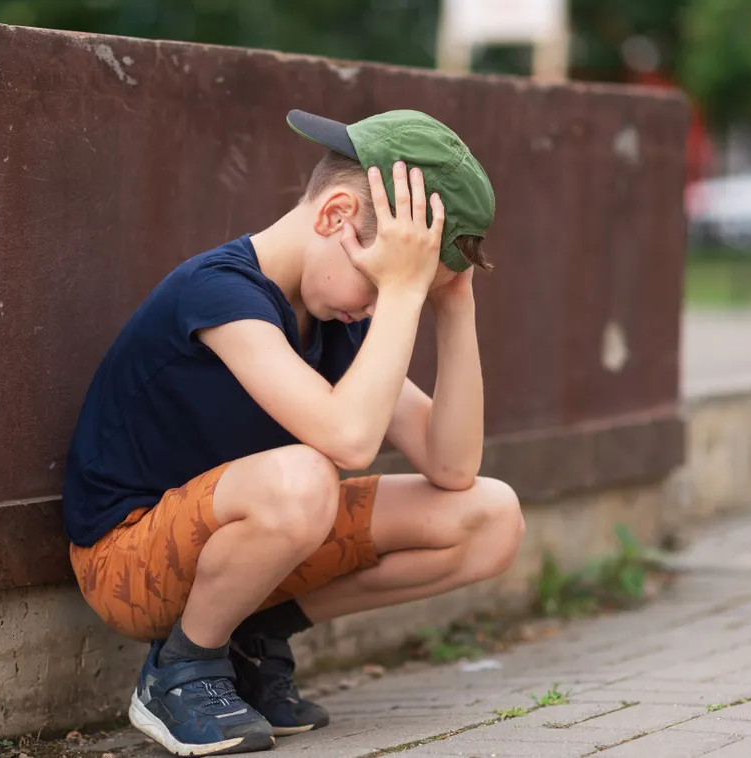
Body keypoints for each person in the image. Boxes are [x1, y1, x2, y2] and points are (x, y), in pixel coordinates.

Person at [61, 108, 526, 756]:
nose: (375, 304)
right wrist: (397, 295)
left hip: (247, 545)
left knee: (490, 516)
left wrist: (452, 304)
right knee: (306, 474)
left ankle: (250, 636)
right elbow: (347, 441)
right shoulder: (220, 292)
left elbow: (452, 468)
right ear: (334, 216)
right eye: (379, 282)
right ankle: (179, 670)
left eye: (401, 294)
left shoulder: (332, 317)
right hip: (130, 560)